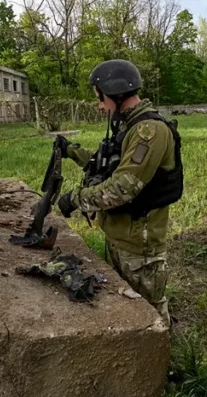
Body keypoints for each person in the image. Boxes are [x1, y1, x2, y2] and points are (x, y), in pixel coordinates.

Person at [55, 59, 182, 327]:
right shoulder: (129, 127)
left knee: (150, 314)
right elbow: (107, 162)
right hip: (121, 235)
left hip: (139, 244)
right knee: (129, 309)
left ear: (117, 94)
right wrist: (72, 151)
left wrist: (76, 198)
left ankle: (164, 363)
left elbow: (122, 188)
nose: (100, 106)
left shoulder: (150, 131)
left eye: (101, 98)